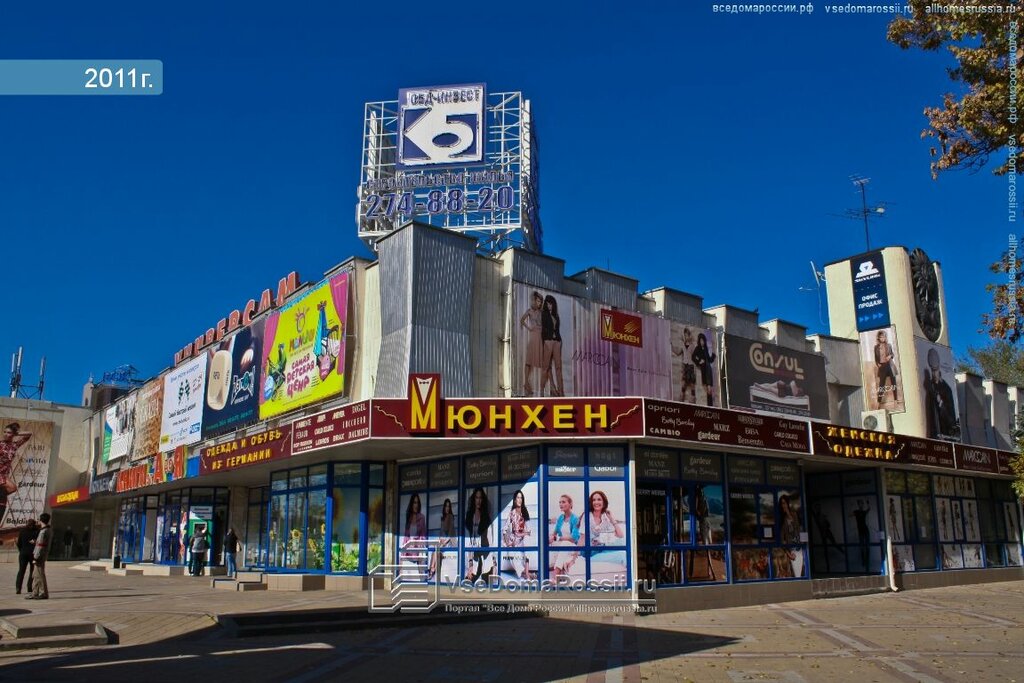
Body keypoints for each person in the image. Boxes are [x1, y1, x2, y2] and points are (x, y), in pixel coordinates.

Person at [922, 348, 959, 439]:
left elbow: (951, 419)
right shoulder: (930, 388)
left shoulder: (946, 389)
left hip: (945, 435)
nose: (934, 374)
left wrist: (941, 403)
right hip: (934, 436)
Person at [464, 488, 494, 582]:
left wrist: (494, 561)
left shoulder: (486, 516)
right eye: (477, 498)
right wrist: (470, 565)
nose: (478, 500)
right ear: (474, 499)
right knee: (467, 582)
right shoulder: (469, 516)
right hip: (474, 555)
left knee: (486, 580)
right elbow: (468, 541)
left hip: (485, 554)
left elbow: (490, 539)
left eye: (480, 498)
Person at [549, 494, 580, 579]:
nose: (561, 504)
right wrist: (551, 538)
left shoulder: (575, 519)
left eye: (563, 502)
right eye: (560, 502)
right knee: (549, 543)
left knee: (565, 543)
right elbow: (554, 533)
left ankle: (555, 575)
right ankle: (538, 571)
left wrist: (558, 538)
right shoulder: (560, 518)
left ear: (570, 504)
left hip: (573, 546)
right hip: (563, 545)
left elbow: (573, 539)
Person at [502, 489, 531, 579]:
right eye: (518, 498)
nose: (520, 500)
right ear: (514, 500)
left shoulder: (525, 512)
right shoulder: (512, 514)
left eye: (521, 498)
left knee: (528, 541)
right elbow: (504, 529)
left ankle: (526, 572)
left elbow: (529, 531)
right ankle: (525, 574)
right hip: (513, 541)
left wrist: (524, 534)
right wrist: (507, 542)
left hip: (522, 540)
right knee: (511, 552)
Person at [519, 291, 544, 395]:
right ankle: (526, 383)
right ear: (534, 301)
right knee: (529, 360)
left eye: (540, 301)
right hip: (533, 336)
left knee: (537, 361)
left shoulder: (542, 312)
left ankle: (530, 384)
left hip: (540, 336)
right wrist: (529, 328)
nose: (539, 303)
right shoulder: (529, 311)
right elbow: (522, 320)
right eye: (537, 301)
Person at [540, 295, 564, 397]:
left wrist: (559, 340)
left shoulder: (556, 315)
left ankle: (561, 391)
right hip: (548, 341)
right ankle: (541, 391)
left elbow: (557, 330)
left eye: (551, 304)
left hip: (557, 341)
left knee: (558, 367)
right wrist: (544, 341)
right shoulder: (544, 314)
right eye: (547, 304)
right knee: (546, 367)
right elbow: (543, 329)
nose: (549, 305)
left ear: (553, 304)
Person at [691, 485, 716, 580]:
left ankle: (710, 571)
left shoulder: (702, 497)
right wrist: (700, 516)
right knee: (707, 548)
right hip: (703, 521)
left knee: (710, 546)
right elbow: (696, 510)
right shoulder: (697, 498)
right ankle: (712, 572)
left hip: (706, 520)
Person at [0, 422, 32, 496]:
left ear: (13, 434)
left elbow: (29, 434)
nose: (5, 434)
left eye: (8, 432)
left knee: (12, 489)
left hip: (4, 474)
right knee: (12, 487)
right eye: (4, 432)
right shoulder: (0, 444)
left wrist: (17, 433)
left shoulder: (14, 445)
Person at [429, 498, 456, 580]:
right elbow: (441, 532)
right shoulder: (442, 518)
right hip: (444, 540)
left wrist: (444, 542)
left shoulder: (451, 517)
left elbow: (451, 532)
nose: (447, 508)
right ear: (444, 508)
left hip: (450, 541)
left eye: (448, 506)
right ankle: (432, 569)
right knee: (435, 549)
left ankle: (432, 570)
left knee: (437, 551)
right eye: (446, 506)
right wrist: (439, 540)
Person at [27, 513, 52, 600]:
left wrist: (35, 557)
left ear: (41, 520)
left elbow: (41, 546)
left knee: (40, 575)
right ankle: (35, 592)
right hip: (42, 554)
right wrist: (35, 542)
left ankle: (43, 593)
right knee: (35, 575)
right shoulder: (47, 530)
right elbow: (41, 543)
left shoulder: (43, 531)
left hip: (39, 555)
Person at [873, 330, 899, 406]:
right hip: (882, 366)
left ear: (885, 337)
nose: (882, 338)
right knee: (881, 385)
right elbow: (876, 358)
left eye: (884, 336)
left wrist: (890, 356)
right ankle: (879, 401)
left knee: (893, 383)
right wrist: (878, 364)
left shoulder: (889, 345)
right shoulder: (876, 347)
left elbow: (892, 354)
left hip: (890, 365)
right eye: (881, 337)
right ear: (878, 338)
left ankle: (895, 400)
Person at [692, 332, 717, 406]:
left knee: (709, 387)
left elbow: (709, 360)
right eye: (701, 341)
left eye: (703, 340)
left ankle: (710, 404)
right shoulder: (697, 348)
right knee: (706, 387)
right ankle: (710, 404)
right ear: (699, 341)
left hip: (708, 369)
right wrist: (699, 361)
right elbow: (693, 356)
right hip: (704, 369)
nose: (702, 342)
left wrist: (713, 355)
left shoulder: (705, 349)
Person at [403, 494, 427, 571]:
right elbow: (406, 536)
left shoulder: (422, 517)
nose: (415, 505)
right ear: (411, 504)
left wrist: (420, 548)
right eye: (414, 503)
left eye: (417, 503)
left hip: (417, 550)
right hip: (408, 551)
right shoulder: (408, 517)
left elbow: (423, 535)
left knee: (418, 576)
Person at [673, 327, 697, 403]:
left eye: (687, 335)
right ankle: (681, 402)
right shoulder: (683, 346)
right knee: (683, 386)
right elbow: (677, 353)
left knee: (692, 387)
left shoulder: (693, 346)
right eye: (685, 335)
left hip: (691, 366)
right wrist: (671, 346)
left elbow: (696, 356)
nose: (686, 337)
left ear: (689, 336)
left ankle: (693, 403)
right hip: (685, 367)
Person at [15, 519, 37, 594]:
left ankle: (18, 588)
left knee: (21, 571)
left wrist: (21, 550)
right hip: (33, 554)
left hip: (23, 553)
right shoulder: (36, 531)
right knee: (32, 571)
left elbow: (19, 543)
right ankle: (29, 587)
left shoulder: (22, 531)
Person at [850, 499, 871, 571]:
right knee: (862, 547)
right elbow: (849, 515)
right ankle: (864, 562)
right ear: (858, 505)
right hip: (861, 531)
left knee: (867, 546)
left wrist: (868, 503)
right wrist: (851, 506)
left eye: (862, 504)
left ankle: (867, 562)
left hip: (866, 530)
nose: (861, 505)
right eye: (860, 504)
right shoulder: (856, 512)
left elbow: (869, 509)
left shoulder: (863, 512)